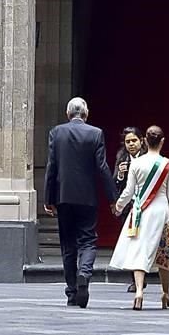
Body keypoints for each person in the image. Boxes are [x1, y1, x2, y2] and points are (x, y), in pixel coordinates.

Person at [43, 97, 117, 309]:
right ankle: (84, 272)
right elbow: (101, 167)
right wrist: (112, 198)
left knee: (68, 245)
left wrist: (48, 198)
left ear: (68, 114)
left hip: (63, 196)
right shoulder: (95, 133)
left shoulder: (56, 133)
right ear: (86, 114)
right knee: (88, 240)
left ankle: (71, 292)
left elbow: (52, 167)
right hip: (87, 197)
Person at [110, 124, 169, 310]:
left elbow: (129, 191)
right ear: (162, 141)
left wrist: (119, 206)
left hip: (140, 211)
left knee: (139, 250)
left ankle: (139, 292)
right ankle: (165, 294)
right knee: (164, 254)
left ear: (144, 141)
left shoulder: (136, 163)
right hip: (163, 213)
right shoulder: (168, 165)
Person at [113, 126, 147, 292]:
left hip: (146, 205)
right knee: (131, 242)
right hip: (129, 207)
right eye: (128, 142)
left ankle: (143, 275)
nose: (131, 144)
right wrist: (120, 175)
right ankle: (135, 280)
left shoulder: (149, 157)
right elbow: (116, 183)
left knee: (144, 242)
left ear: (141, 141)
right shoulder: (122, 157)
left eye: (134, 140)